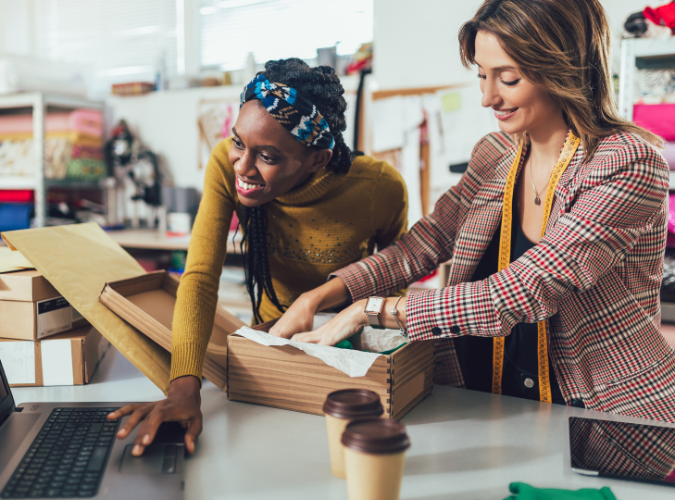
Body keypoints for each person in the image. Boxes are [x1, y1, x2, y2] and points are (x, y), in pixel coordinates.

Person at [275, 0, 675, 422]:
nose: (488, 97)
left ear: (564, 66)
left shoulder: (628, 161)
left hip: (598, 413)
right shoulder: (495, 154)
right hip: (485, 400)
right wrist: (319, 297)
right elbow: (421, 247)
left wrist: (372, 310)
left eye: (508, 78)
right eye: (483, 76)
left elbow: (523, 291)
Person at [109, 58, 408, 453]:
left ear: (317, 158)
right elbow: (199, 277)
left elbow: (394, 289)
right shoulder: (226, 165)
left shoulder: (378, 187)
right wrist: (183, 389)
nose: (243, 167)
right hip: (270, 354)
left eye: (267, 156)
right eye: (238, 142)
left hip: (348, 360)